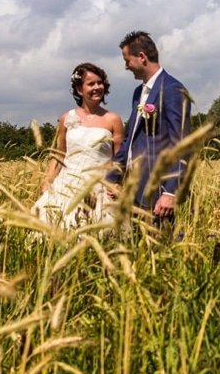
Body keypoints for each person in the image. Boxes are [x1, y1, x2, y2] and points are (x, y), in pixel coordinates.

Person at [108, 30, 191, 221]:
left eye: (127, 60)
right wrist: (112, 177)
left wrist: (170, 193)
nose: (126, 66)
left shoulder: (173, 90)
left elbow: (181, 144)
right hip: (133, 189)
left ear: (141, 57)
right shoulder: (138, 93)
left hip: (157, 191)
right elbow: (130, 139)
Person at [33, 63, 124, 229]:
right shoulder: (67, 118)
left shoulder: (113, 119)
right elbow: (59, 154)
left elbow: (119, 158)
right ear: (79, 89)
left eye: (100, 82)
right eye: (91, 84)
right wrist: (48, 181)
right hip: (67, 186)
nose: (97, 87)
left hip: (100, 187)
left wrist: (117, 183)